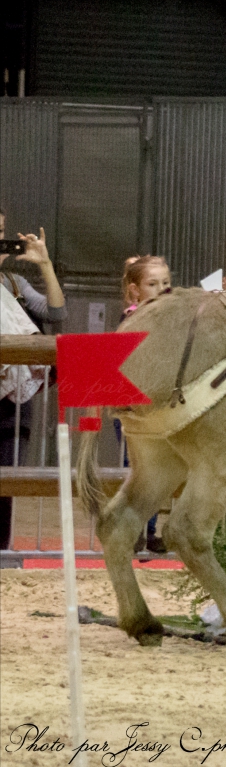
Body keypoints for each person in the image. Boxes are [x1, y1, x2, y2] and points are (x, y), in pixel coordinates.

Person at [0, 211, 65, 552]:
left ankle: (2, 555)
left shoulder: (14, 283)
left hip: (12, 402)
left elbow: (56, 312)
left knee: (7, 482)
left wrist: (45, 265)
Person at [119, 255, 172, 554]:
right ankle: (132, 529)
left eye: (166, 283)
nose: (161, 289)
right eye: (153, 284)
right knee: (136, 468)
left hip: (160, 406)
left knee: (157, 469)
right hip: (131, 408)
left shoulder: (171, 320)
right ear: (135, 290)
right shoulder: (131, 319)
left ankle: (148, 530)